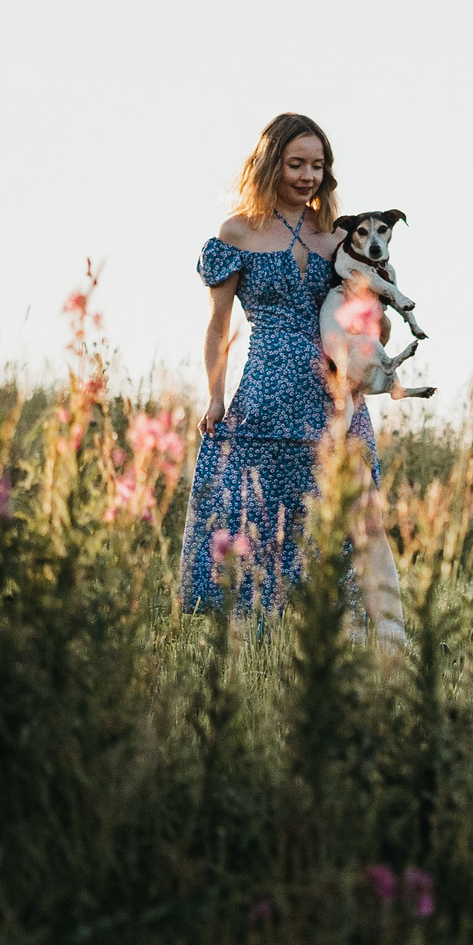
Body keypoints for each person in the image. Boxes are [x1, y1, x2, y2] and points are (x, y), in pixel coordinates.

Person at [179, 112, 400, 623]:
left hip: (335, 399)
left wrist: (378, 326)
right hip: (265, 398)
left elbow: (370, 323)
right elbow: (218, 325)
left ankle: (358, 636)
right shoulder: (237, 232)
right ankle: (252, 635)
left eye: (317, 166)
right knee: (255, 516)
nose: (308, 176)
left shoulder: (337, 236)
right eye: (296, 163)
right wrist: (215, 396)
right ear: (270, 163)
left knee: (348, 519)